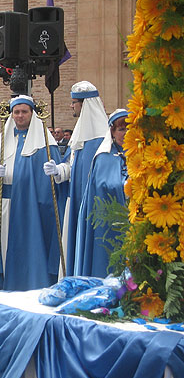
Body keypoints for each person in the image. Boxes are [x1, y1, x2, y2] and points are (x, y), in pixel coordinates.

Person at [0, 95, 66, 290]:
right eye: (16, 112)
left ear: (32, 114)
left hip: (30, 207)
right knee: (5, 246)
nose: (20, 115)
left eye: (24, 111)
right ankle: (6, 284)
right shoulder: (2, 141)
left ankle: (29, 284)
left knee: (28, 248)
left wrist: (55, 172)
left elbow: (53, 179)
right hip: (5, 205)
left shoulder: (43, 142)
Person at [43, 81, 109, 277]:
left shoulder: (101, 138)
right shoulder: (80, 133)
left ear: (85, 104)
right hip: (75, 201)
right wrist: (58, 170)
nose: (71, 106)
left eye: (74, 102)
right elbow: (72, 166)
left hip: (92, 205)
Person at [74, 109, 128, 278]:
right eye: (121, 129)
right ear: (112, 132)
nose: (126, 133)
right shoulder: (104, 156)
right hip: (110, 224)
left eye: (130, 128)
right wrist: (125, 186)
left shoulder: (143, 153)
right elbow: (104, 184)